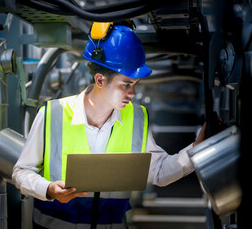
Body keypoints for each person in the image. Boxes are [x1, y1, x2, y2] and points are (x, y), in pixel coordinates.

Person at [12, 22, 206, 229]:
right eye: (126, 85)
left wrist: (198, 149)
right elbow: (21, 172)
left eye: (134, 85)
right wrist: (48, 189)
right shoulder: (52, 114)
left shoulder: (137, 118)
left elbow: (158, 172)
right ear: (100, 80)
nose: (132, 94)